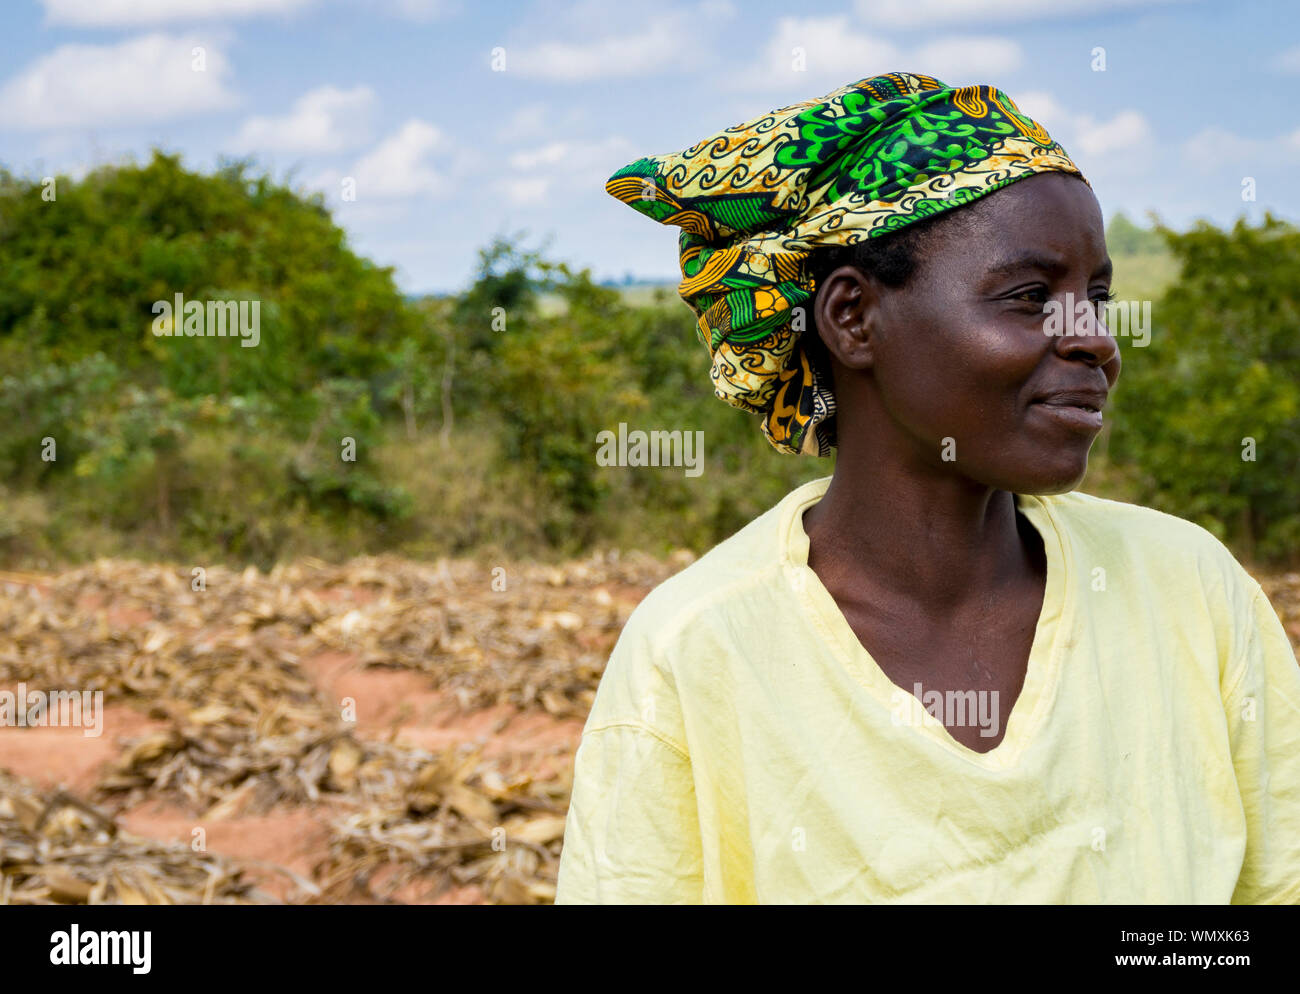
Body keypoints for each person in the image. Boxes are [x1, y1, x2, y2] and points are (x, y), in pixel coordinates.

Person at [553, 72, 1300, 904]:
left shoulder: (1191, 591)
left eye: (1096, 298)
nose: (1095, 341)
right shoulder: (697, 654)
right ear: (852, 318)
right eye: (1029, 298)